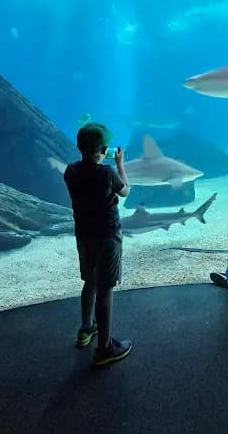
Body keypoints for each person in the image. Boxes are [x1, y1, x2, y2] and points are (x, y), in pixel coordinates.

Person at [63, 122, 133, 367]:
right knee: (105, 288)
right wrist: (121, 165)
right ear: (104, 149)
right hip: (108, 236)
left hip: (84, 236)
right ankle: (104, 347)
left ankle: (85, 329)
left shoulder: (70, 171)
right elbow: (125, 193)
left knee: (90, 282)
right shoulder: (107, 173)